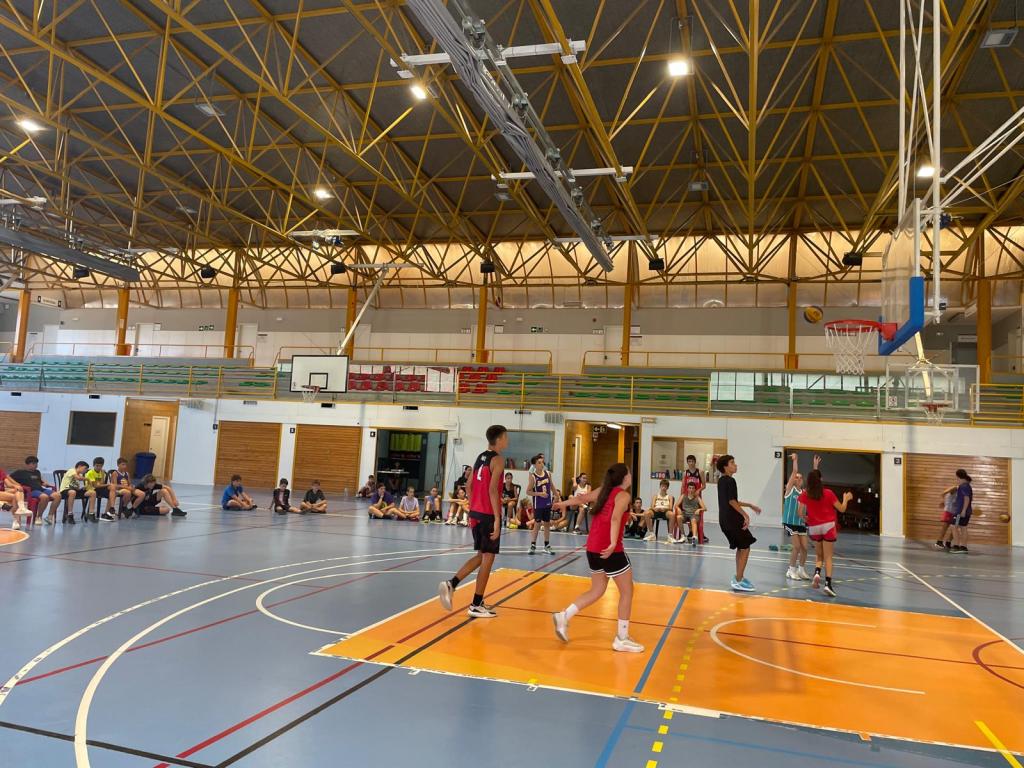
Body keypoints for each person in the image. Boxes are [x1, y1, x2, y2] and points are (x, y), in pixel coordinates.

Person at [550, 462, 644, 653]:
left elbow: (581, 498)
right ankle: (622, 638)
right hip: (610, 550)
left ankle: (564, 616)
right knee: (627, 592)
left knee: (597, 589)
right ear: (624, 477)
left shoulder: (604, 491)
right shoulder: (624, 496)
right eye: (629, 472)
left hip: (592, 547)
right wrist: (612, 543)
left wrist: (562, 504)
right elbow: (615, 518)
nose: (631, 475)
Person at [438, 425, 508, 619]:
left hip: (476, 513)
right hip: (488, 514)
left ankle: (451, 584)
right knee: (488, 558)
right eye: (506, 437)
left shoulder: (480, 457)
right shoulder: (498, 459)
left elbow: (468, 486)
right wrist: (497, 518)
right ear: (499, 439)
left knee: (481, 555)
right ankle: (476, 604)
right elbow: (493, 490)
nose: (507, 440)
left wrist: (474, 505)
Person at [798, 463, 852, 597]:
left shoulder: (805, 494)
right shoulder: (828, 493)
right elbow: (842, 509)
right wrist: (846, 499)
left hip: (814, 528)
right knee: (828, 557)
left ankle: (817, 573)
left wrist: (806, 519)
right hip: (828, 526)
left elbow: (800, 512)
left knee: (819, 555)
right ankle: (828, 584)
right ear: (821, 480)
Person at [717, 454, 762, 592]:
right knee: (746, 547)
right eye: (732, 463)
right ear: (725, 467)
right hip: (732, 520)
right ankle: (738, 580)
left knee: (741, 547)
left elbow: (732, 500)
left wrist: (749, 505)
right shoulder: (731, 481)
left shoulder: (721, 481)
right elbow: (732, 502)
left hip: (724, 520)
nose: (735, 465)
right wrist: (745, 514)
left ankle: (739, 577)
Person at [782, 453, 811, 580]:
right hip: (789, 522)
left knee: (805, 548)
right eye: (796, 477)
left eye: (800, 478)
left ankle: (801, 570)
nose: (798, 479)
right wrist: (795, 460)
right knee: (797, 546)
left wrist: (805, 517)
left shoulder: (804, 493)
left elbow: (803, 509)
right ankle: (791, 570)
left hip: (800, 523)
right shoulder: (789, 490)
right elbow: (794, 471)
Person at [11, 455, 60, 526]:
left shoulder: (37, 472)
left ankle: (49, 516)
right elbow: (8, 478)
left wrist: (44, 483)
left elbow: (40, 481)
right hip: (31, 491)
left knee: (58, 495)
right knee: (44, 497)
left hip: (41, 489)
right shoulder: (20, 472)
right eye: (33, 463)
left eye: (36, 463)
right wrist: (16, 485)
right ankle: (39, 517)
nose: (36, 465)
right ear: (27, 464)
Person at [527, 454, 555, 555]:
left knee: (547, 524)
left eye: (542, 462)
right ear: (534, 465)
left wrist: (556, 495)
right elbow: (528, 491)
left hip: (547, 503)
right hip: (538, 504)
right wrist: (539, 494)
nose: (541, 464)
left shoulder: (548, 473)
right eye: (539, 462)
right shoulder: (533, 477)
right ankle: (533, 545)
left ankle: (546, 545)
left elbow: (552, 486)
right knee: (537, 524)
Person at [682, 454, 708, 543]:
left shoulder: (700, 472)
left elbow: (704, 485)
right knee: (687, 512)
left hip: (697, 497)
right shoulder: (685, 473)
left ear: (695, 462)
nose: (691, 463)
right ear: (687, 462)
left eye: (692, 461)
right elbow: (683, 486)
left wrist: (698, 490)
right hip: (687, 496)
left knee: (697, 515)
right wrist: (682, 497)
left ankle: (701, 533)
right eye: (689, 461)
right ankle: (691, 532)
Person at [949, 469, 973, 554]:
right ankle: (963, 547)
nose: (956, 479)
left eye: (957, 478)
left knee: (953, 526)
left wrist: (963, 510)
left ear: (959, 477)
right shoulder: (967, 485)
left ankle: (956, 546)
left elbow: (967, 498)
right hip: (965, 511)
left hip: (960, 512)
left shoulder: (963, 486)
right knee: (963, 527)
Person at [84, 457, 113, 522]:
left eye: (101, 466)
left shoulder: (101, 472)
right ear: (93, 465)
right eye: (97, 466)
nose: (99, 467)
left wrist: (102, 475)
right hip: (91, 489)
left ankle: (106, 514)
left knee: (111, 494)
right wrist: (108, 484)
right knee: (95, 492)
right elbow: (95, 486)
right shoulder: (90, 472)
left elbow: (101, 483)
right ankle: (91, 513)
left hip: (99, 489)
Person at [935, 483, 958, 551]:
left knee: (955, 527)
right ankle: (939, 542)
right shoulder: (955, 488)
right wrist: (943, 501)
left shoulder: (959, 492)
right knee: (945, 527)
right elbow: (944, 493)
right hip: (949, 512)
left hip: (954, 512)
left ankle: (947, 542)